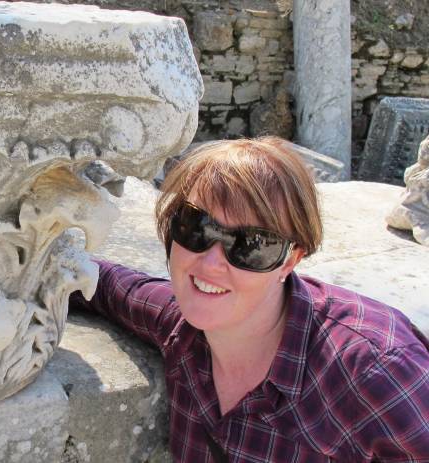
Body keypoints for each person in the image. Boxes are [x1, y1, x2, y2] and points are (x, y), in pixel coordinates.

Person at [70, 137, 429, 462]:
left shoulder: (375, 372)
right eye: (197, 227)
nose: (211, 262)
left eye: (253, 245)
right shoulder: (179, 327)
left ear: (290, 260)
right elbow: (106, 284)